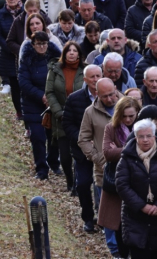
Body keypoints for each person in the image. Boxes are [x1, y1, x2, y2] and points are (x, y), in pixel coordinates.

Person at [78, 78, 123, 255]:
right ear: (97, 94)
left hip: (129, 168)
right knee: (108, 214)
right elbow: (83, 139)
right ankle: (114, 251)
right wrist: (99, 158)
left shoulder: (127, 106)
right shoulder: (90, 112)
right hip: (104, 172)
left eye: (112, 94)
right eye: (105, 96)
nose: (111, 99)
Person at [116, 119, 157, 259]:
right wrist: (142, 206)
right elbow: (122, 185)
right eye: (141, 136)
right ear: (136, 138)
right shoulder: (127, 157)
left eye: (148, 136)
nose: (145, 140)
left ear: (154, 136)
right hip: (135, 217)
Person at [99, 96, 141, 258]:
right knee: (118, 223)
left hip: (138, 181)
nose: (128, 119)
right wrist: (132, 149)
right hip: (118, 181)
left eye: (132, 115)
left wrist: (120, 149)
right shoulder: (112, 128)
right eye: (125, 116)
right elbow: (107, 153)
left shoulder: (142, 128)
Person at [62, 64, 102, 230]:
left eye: (98, 76)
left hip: (102, 150)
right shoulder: (74, 98)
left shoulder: (109, 97)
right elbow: (67, 123)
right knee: (83, 184)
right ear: (85, 80)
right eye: (91, 77)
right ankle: (88, 217)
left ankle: (103, 216)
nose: (95, 80)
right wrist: (83, 140)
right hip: (81, 151)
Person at [19, 31, 62, 179]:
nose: (42, 47)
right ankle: (41, 169)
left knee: (54, 137)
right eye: (39, 44)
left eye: (44, 44)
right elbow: (23, 82)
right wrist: (41, 96)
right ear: (33, 44)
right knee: (37, 137)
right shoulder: (27, 59)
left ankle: (53, 162)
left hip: (53, 102)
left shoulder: (56, 59)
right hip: (33, 104)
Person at [45, 41, 85, 191]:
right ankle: (69, 181)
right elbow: (49, 92)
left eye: (75, 51)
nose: (72, 53)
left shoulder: (85, 70)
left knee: (80, 154)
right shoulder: (55, 70)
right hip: (61, 117)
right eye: (69, 50)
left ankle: (78, 184)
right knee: (65, 156)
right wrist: (58, 112)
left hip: (80, 118)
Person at [0, 0, 23, 111]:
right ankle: (18, 111)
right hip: (8, 54)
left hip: (24, 52)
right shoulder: (1, 14)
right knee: (14, 85)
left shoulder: (25, 12)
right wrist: (11, 48)